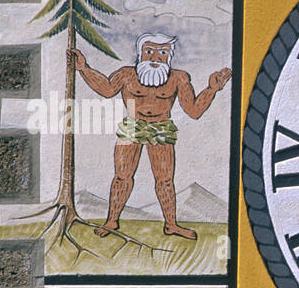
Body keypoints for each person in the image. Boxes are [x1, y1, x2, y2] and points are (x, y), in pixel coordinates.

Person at [69, 32, 231, 240]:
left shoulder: (178, 78)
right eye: (149, 51)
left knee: (164, 180)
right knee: (122, 176)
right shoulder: (127, 75)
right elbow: (107, 89)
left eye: (162, 52)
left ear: (169, 56)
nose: (155, 58)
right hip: (132, 126)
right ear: (140, 54)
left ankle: (171, 224)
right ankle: (111, 221)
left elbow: (194, 111)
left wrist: (211, 89)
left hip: (161, 128)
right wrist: (84, 68)